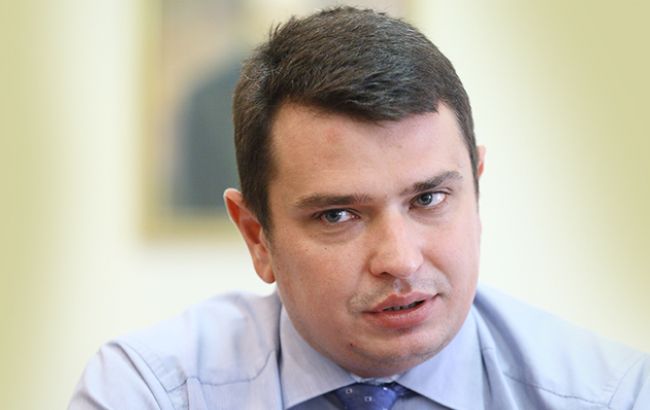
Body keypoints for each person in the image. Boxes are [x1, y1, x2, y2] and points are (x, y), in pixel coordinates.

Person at [69, 7, 650, 409]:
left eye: (428, 199)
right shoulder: (151, 392)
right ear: (256, 236)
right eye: (337, 216)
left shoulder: (609, 396)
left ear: (476, 190)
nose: (399, 260)